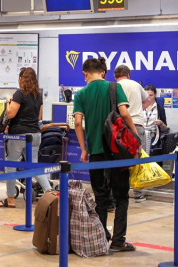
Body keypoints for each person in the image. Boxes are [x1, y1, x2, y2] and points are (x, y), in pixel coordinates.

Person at [73, 58, 138, 252]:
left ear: (85, 73)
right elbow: (125, 114)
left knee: (100, 198)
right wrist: (134, 137)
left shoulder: (81, 94)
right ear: (103, 72)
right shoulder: (113, 87)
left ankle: (101, 239)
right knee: (121, 198)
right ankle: (118, 241)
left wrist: (84, 149)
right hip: (117, 152)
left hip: (96, 153)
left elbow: (77, 123)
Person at [0, 67, 52, 208]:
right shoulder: (38, 95)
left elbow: (11, 114)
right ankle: (50, 194)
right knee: (34, 167)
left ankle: (11, 199)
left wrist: (8, 101)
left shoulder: (19, 94)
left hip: (19, 136)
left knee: (11, 166)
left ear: (21, 79)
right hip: (35, 135)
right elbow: (39, 117)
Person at [114, 65, 149, 203]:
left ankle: (120, 193)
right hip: (137, 125)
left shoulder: (114, 86)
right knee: (138, 160)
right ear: (128, 74)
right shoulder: (136, 85)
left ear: (115, 76)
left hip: (120, 128)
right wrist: (140, 109)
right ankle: (138, 194)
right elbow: (147, 100)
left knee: (119, 159)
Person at [143, 85, 168, 155]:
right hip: (141, 135)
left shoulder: (160, 109)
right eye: (147, 95)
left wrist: (161, 124)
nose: (149, 97)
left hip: (153, 137)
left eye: (151, 95)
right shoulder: (140, 106)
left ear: (155, 95)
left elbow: (165, 128)